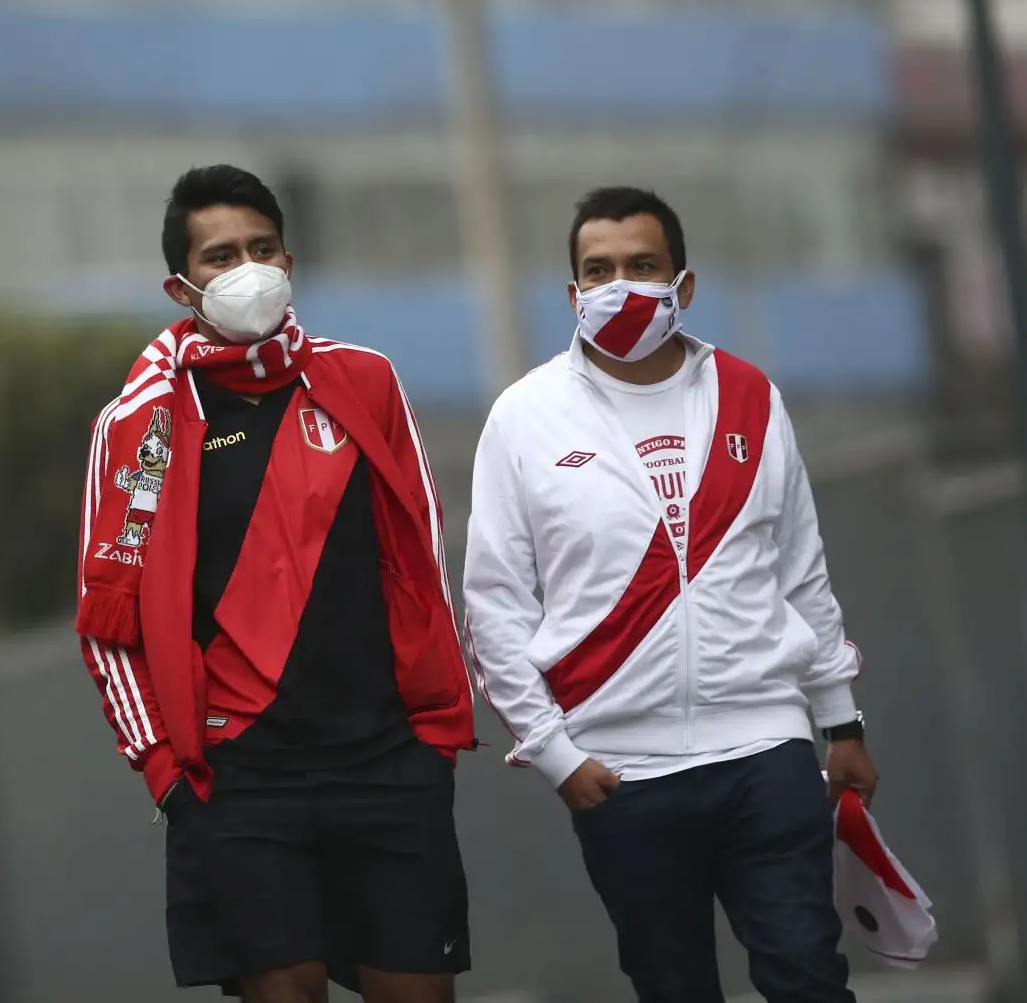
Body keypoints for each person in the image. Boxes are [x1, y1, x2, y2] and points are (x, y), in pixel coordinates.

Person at [461, 187, 878, 1003]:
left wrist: (842, 720)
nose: (621, 286)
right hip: (620, 773)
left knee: (807, 976)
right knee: (672, 987)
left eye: (642, 267)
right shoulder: (524, 418)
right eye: (599, 270)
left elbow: (802, 570)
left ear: (682, 287)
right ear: (573, 293)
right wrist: (555, 754)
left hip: (767, 749)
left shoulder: (752, 398)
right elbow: (494, 606)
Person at [76, 165, 476, 1002]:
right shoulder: (139, 423)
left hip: (384, 759)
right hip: (239, 778)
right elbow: (109, 622)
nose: (246, 269)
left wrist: (432, 738)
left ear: (289, 262)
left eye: (262, 248)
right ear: (180, 286)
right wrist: (165, 774)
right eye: (220, 256)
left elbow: (424, 562)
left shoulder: (363, 379)